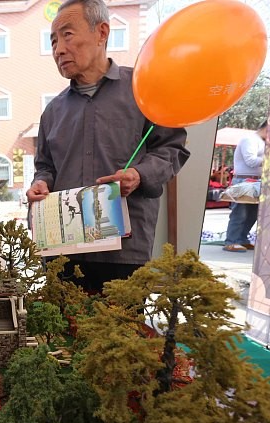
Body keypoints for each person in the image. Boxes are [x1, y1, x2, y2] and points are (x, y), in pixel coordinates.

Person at [26, 0, 190, 293]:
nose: (58, 49)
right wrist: (41, 182)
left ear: (102, 32)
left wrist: (138, 175)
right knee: (64, 333)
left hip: (123, 250)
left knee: (122, 333)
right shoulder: (52, 112)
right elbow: (46, 166)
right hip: (64, 250)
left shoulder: (143, 90)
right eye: (53, 41)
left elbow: (171, 148)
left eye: (67, 35)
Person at [223, 120, 267, 252]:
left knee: (252, 214)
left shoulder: (261, 141)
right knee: (240, 213)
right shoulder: (249, 139)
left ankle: (242, 239)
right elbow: (251, 161)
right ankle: (231, 241)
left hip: (256, 181)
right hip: (243, 181)